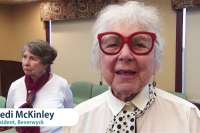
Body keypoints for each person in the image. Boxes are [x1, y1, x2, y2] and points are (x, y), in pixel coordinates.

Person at [63, 1, 200, 133]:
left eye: (139, 45)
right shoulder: (78, 119)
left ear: (155, 61)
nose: (125, 55)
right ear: (99, 60)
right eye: (113, 44)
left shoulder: (187, 116)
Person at [6, 39, 73, 133]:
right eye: (25, 57)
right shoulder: (15, 86)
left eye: (32, 58)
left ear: (45, 63)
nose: (26, 63)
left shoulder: (61, 84)